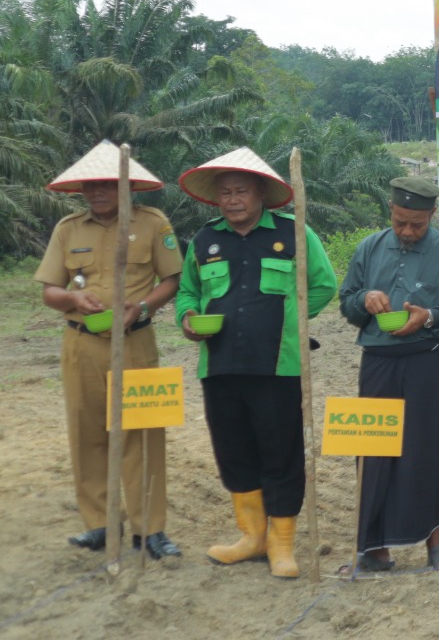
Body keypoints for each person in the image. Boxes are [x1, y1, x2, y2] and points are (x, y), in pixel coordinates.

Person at [174, 148, 337, 579]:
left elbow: (323, 284)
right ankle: (251, 537)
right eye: (225, 192)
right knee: (233, 451)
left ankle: (282, 544)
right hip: (219, 366)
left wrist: (291, 321)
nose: (232, 200)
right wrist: (187, 318)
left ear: (261, 193)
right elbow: (188, 291)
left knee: (281, 453)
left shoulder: (294, 232)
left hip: (278, 366)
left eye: (241, 191)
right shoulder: (205, 240)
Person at [34, 142, 183, 558]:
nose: (97, 191)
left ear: (127, 185)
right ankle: (99, 524)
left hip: (136, 343)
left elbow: (172, 280)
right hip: (82, 344)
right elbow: (50, 290)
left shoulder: (153, 224)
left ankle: (150, 530)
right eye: (90, 185)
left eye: (106, 183)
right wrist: (72, 298)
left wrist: (142, 308)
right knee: (87, 433)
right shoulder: (68, 228)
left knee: (144, 433)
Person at [337, 178, 439, 571]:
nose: (407, 231)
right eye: (400, 222)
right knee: (374, 450)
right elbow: (346, 302)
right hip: (378, 362)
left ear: (432, 215)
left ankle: (436, 543)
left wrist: (430, 317)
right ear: (390, 210)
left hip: (429, 361)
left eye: (417, 224)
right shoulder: (369, 248)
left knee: (431, 448)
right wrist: (364, 300)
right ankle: (373, 548)